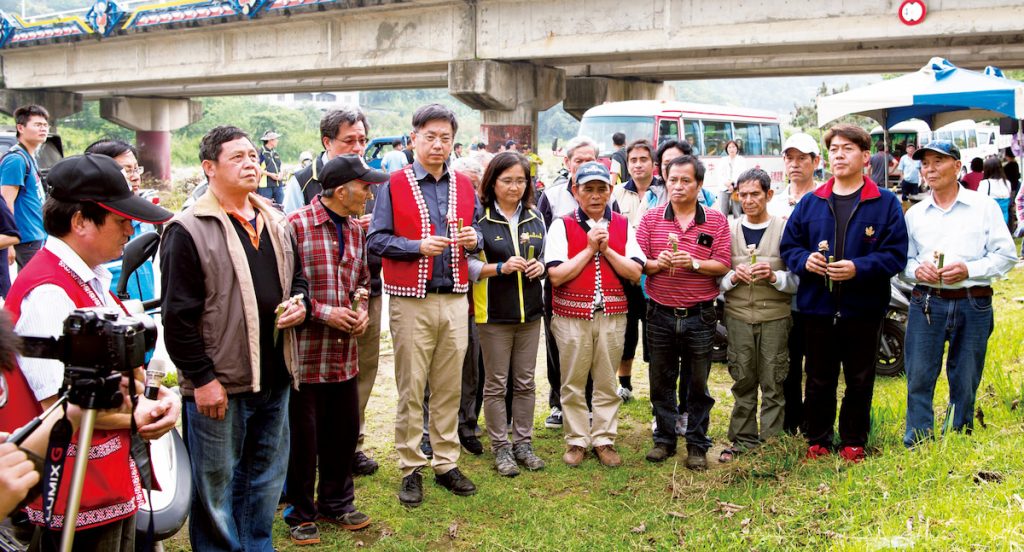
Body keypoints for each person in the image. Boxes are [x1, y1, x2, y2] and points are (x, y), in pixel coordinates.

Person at [7, 154, 180, 551]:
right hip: (68, 493)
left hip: (100, 478)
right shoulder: (48, 293)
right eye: (119, 219)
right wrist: (140, 414)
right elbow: (64, 409)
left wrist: (160, 396)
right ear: (80, 221)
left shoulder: (91, 279)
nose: (128, 228)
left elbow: (127, 368)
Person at [161, 126, 309, 551]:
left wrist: (299, 301)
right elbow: (178, 317)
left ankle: (257, 545)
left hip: (275, 374)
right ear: (209, 168)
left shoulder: (275, 218)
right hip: (221, 384)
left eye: (252, 156)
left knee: (264, 479)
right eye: (238, 158)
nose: (251, 164)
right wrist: (202, 378)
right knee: (216, 489)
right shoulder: (188, 229)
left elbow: (295, 279)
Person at [367, 104, 482, 508]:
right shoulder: (393, 184)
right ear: (413, 138)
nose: (437, 144)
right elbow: (376, 240)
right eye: (429, 136)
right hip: (410, 302)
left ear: (453, 141)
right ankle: (410, 466)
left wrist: (473, 241)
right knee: (411, 388)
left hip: (454, 298)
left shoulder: (465, 186)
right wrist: (416, 247)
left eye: (445, 138)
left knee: (450, 386)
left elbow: (478, 233)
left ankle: (447, 462)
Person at [780, 123, 908, 463]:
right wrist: (805, 260)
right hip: (817, 308)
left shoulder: (884, 203)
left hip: (863, 308)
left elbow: (895, 254)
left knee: (860, 378)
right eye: (834, 148)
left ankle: (853, 440)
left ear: (866, 157)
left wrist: (858, 268)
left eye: (847, 148)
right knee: (818, 377)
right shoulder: (811, 202)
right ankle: (818, 439)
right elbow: (789, 247)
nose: (838, 154)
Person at [283, 154, 384, 544]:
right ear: (341, 191)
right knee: (304, 439)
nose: (370, 192)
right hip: (305, 356)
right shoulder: (294, 227)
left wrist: (360, 311)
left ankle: (337, 502)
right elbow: (284, 289)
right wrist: (325, 313)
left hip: (345, 355)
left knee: (343, 432)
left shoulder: (357, 230)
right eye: (364, 186)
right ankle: (299, 511)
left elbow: (362, 280)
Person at [901, 140, 1016, 449]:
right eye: (925, 163)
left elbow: (1006, 256)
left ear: (956, 165)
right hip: (926, 301)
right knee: (919, 374)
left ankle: (958, 433)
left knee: (965, 374)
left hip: (973, 300)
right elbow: (904, 263)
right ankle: (919, 438)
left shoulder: (983, 207)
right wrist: (916, 271)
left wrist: (969, 269)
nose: (929, 169)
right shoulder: (916, 214)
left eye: (938, 161)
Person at [546, 161, 644, 468]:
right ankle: (576, 439)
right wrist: (589, 249)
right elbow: (557, 276)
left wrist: (607, 249)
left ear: (610, 190)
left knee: (605, 381)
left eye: (602, 188)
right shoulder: (562, 224)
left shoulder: (622, 225)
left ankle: (604, 438)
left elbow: (635, 271)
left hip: (613, 314)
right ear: (575, 192)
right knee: (572, 381)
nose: (595, 195)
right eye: (588, 189)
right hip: (571, 315)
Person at [637, 155, 731, 469]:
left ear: (699, 184)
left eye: (686, 180)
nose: (678, 186)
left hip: (700, 315)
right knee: (661, 380)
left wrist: (693, 262)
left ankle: (697, 443)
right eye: (672, 180)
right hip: (660, 313)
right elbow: (638, 262)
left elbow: (723, 264)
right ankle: (664, 439)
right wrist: (656, 264)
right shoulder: (651, 219)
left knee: (697, 384)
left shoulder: (716, 220)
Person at [469, 152, 547, 477]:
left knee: (526, 382)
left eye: (520, 180)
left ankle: (524, 443)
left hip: (530, 313)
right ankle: (501, 448)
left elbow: (545, 256)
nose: (514, 187)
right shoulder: (480, 220)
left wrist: (540, 267)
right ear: (492, 182)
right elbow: (469, 266)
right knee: (496, 384)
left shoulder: (535, 217)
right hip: (494, 314)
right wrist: (499, 267)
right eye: (507, 180)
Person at [718, 168, 797, 463]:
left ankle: (772, 443)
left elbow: (797, 280)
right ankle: (742, 440)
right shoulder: (728, 230)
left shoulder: (785, 228)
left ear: (769, 195)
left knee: (774, 381)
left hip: (775, 316)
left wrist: (775, 277)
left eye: (756, 194)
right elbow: (717, 282)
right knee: (742, 379)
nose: (749, 200)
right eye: (744, 194)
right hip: (738, 316)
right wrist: (732, 278)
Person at [536, 136, 602, 430]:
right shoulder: (551, 197)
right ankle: (558, 403)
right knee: (557, 343)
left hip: (594, 283)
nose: (585, 166)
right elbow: (541, 240)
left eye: (591, 160)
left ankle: (587, 403)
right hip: (559, 281)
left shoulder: (604, 197)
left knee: (590, 344)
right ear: (567, 163)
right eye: (579, 161)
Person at [769, 132, 821, 436]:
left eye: (803, 158)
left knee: (815, 365)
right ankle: (788, 421)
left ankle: (813, 422)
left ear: (816, 162)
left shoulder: (826, 199)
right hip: (779, 295)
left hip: (814, 295)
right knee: (785, 363)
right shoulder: (773, 202)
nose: (795, 164)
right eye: (790, 157)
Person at [610, 139, 665, 402]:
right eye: (633, 160)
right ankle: (626, 386)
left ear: (654, 164)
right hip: (626, 275)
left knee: (655, 335)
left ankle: (659, 388)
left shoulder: (664, 191)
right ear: (627, 164)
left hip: (657, 274)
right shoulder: (617, 193)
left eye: (644, 159)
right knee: (626, 331)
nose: (638, 164)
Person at [84, 140, 156, 302]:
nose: (136, 177)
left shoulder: (146, 218)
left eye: (136, 169)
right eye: (127, 170)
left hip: (143, 314)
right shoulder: (91, 224)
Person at [282, 107, 370, 213]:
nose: (358, 148)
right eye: (349, 141)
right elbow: (288, 226)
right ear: (327, 143)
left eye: (362, 140)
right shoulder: (301, 182)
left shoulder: (374, 180)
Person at [0, 105, 50, 269]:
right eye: (37, 125)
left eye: (44, 125)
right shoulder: (16, 160)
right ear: (20, 128)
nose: (43, 129)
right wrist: (9, 243)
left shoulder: (29, 157)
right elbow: (6, 202)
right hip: (25, 239)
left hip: (36, 236)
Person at [715, 139, 747, 218]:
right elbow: (720, 174)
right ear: (726, 149)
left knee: (737, 212)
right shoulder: (723, 160)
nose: (731, 149)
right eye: (729, 147)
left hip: (736, 188)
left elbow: (743, 174)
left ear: (737, 149)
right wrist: (727, 183)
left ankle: (737, 228)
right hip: (724, 188)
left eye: (733, 147)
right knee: (723, 212)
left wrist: (733, 184)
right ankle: (723, 229)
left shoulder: (741, 160)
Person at [977, 156, 1012, 225]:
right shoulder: (1007, 183)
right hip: (1005, 220)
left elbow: (979, 201)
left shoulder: (985, 184)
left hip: (991, 221)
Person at [258, 130, 285, 205]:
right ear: (270, 140)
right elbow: (257, 168)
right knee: (266, 207)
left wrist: (280, 174)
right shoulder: (261, 153)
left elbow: (280, 167)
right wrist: (270, 175)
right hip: (265, 186)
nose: (277, 141)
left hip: (278, 185)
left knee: (280, 207)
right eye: (276, 139)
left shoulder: (275, 153)